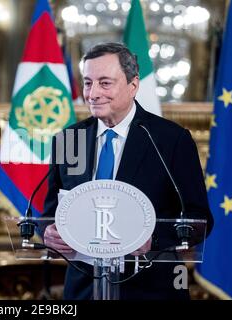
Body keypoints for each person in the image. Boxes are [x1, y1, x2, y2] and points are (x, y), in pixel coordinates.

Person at [43, 42, 214, 300]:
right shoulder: (69, 140)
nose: (93, 93)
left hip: (151, 289)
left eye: (105, 83)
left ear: (133, 85)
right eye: (88, 83)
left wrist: (153, 240)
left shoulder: (170, 140)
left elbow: (200, 219)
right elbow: (48, 214)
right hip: (84, 290)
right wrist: (48, 233)